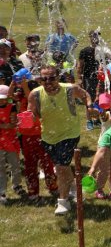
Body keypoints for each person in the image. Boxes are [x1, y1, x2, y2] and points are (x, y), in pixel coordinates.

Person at [28, 65, 91, 215]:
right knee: (62, 166)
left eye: (51, 78)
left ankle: (63, 202)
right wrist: (28, 118)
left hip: (70, 134)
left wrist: (89, 106)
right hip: (48, 137)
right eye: (44, 79)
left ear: (58, 77)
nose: (48, 82)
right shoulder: (35, 94)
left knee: (61, 168)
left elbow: (85, 95)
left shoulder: (70, 89)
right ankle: (75, 186)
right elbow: (33, 114)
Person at [0, 85, 22, 203]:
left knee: (15, 164)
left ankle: (16, 185)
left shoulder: (11, 107)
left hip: (10, 141)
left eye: (4, 98)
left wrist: (4, 125)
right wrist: (5, 125)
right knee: (1, 168)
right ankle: (1, 192)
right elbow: (8, 124)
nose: (2, 101)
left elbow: (12, 124)